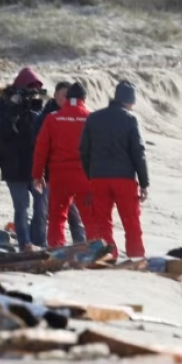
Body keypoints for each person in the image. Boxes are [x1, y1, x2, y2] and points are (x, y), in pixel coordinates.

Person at [80, 81, 149, 259]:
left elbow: (84, 150)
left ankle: (108, 255)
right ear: (129, 101)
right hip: (124, 179)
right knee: (130, 221)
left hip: (98, 178)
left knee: (102, 221)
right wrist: (144, 182)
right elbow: (138, 152)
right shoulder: (130, 119)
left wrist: (91, 175)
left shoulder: (93, 118)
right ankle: (136, 256)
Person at [0, 67, 47, 251]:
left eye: (36, 90)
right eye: (29, 89)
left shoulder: (39, 106)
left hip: (36, 166)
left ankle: (40, 243)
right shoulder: (2, 105)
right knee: (22, 209)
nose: (33, 94)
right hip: (13, 165)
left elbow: (45, 133)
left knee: (41, 208)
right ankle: (25, 244)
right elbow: (0, 130)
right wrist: (12, 108)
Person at [32, 82, 96, 249]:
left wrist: (37, 175)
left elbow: (41, 150)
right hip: (84, 177)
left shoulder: (52, 118)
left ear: (68, 98)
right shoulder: (91, 119)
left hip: (59, 177)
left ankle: (56, 249)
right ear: (84, 98)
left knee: (57, 217)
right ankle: (93, 250)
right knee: (90, 218)